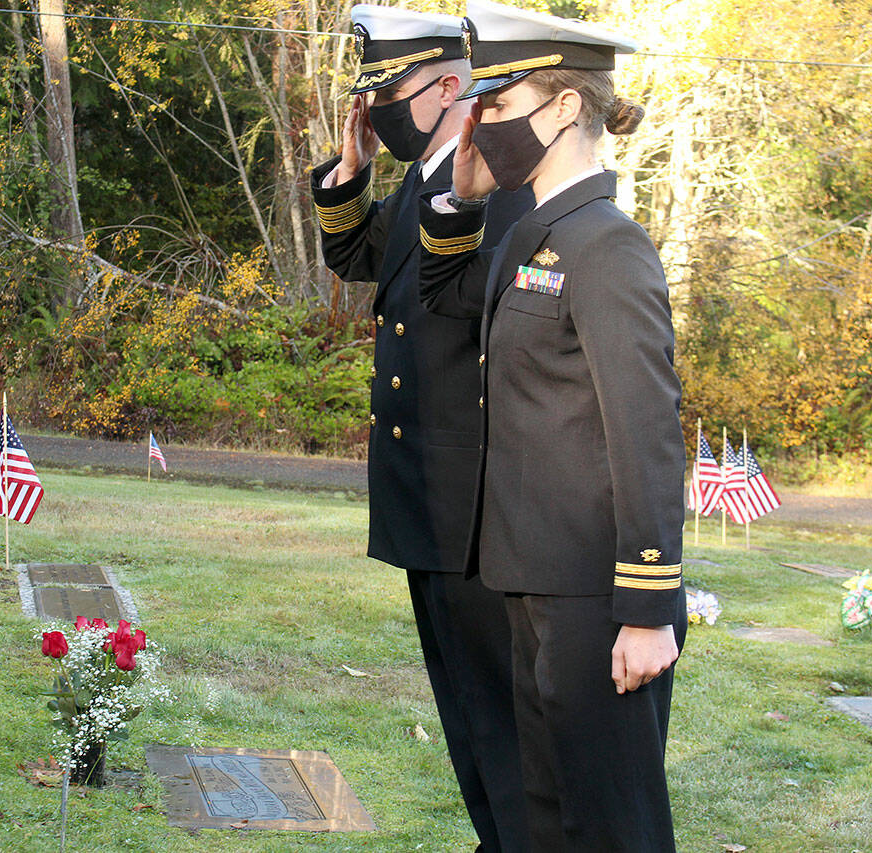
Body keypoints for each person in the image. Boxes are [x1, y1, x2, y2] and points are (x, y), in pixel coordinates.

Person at [415, 1, 687, 849]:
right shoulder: (539, 237)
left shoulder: (608, 245)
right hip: (531, 580)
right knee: (546, 818)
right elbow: (444, 301)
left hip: (596, 598)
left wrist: (647, 606)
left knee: (608, 824)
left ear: (566, 106)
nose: (480, 121)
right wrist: (458, 205)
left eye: (497, 105)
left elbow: (645, 430)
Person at [311, 5, 535, 851]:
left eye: (391, 91)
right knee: (465, 712)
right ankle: (498, 835)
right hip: (426, 498)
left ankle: (517, 837)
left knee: (497, 714)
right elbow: (367, 259)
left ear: (450, 87)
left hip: (472, 502)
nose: (379, 109)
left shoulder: (500, 193)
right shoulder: (425, 178)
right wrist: (350, 169)